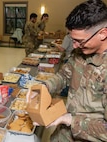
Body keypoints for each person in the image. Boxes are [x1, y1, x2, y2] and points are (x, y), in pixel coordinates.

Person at [39, 0, 107, 141]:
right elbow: (64, 74)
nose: (75, 46)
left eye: (80, 41)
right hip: (63, 134)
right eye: (73, 40)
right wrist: (45, 87)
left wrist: (71, 120)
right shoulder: (81, 53)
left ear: (103, 33)